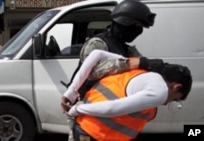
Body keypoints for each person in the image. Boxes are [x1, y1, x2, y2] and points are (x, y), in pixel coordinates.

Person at [62, 0, 161, 140]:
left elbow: (139, 69)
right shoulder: (98, 44)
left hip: (108, 117)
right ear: (125, 22)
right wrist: (137, 63)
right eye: (137, 26)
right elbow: (93, 72)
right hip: (87, 115)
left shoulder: (127, 49)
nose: (139, 31)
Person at [64, 50, 192, 141]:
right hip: (97, 134)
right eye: (175, 98)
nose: (167, 103)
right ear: (176, 87)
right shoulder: (160, 91)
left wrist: (70, 93)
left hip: (82, 128)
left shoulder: (139, 69)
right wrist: (77, 109)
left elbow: (97, 54)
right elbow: (112, 109)